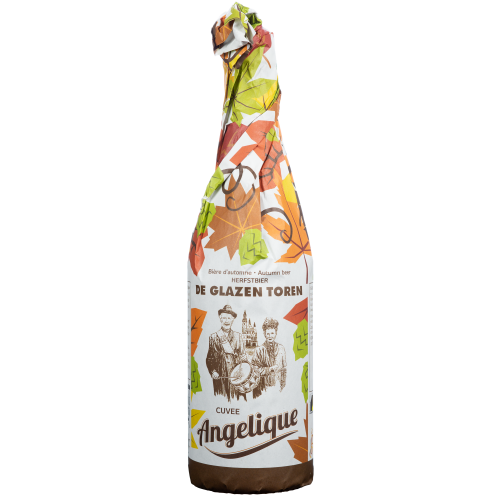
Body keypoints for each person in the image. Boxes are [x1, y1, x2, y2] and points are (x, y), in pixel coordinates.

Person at [206, 305, 248, 402]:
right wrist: (213, 371)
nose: (226, 321)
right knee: (221, 400)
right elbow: (209, 359)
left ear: (233, 320)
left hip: (236, 378)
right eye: (224, 318)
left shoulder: (238, 336)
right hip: (221, 378)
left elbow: (243, 357)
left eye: (229, 318)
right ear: (220, 318)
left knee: (238, 402)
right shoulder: (213, 337)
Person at [251, 317, 287, 398]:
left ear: (276, 333)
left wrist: (283, 385)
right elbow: (254, 370)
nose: (270, 336)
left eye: (272, 333)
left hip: (278, 389)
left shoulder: (281, 348)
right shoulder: (259, 350)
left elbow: (284, 369)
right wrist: (269, 369)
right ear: (264, 334)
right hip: (263, 390)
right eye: (268, 334)